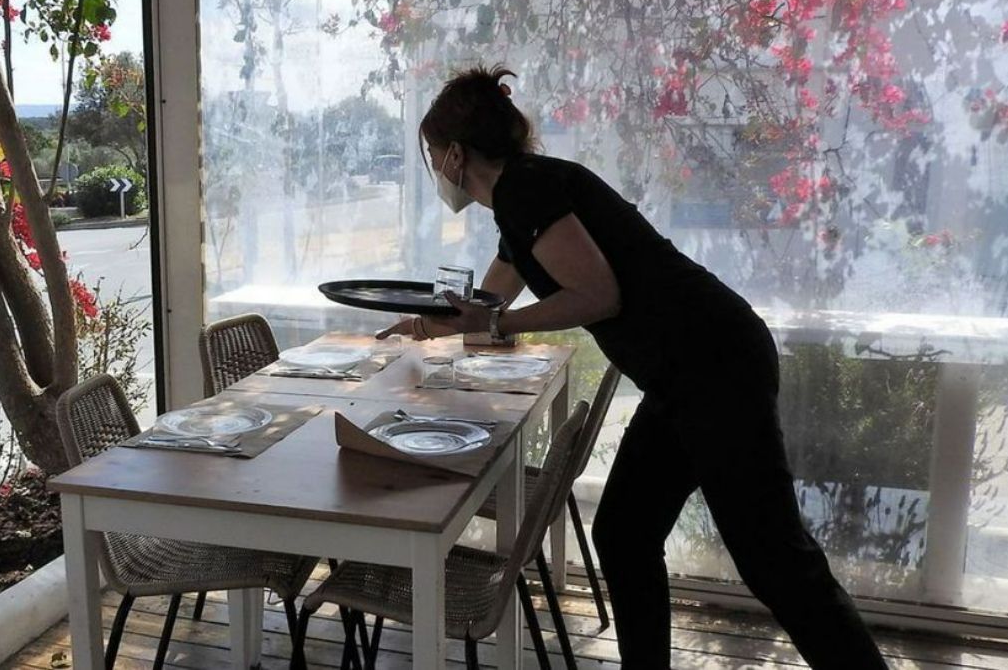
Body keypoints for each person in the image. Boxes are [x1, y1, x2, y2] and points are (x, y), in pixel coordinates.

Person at [376, 65, 889, 670]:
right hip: (689, 370)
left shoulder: (526, 189)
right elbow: (491, 301)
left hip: (713, 363)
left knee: (774, 559)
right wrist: (429, 323)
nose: (437, 171)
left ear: (456, 154)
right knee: (623, 534)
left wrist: (489, 327)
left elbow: (598, 295)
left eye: (435, 156)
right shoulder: (522, 196)